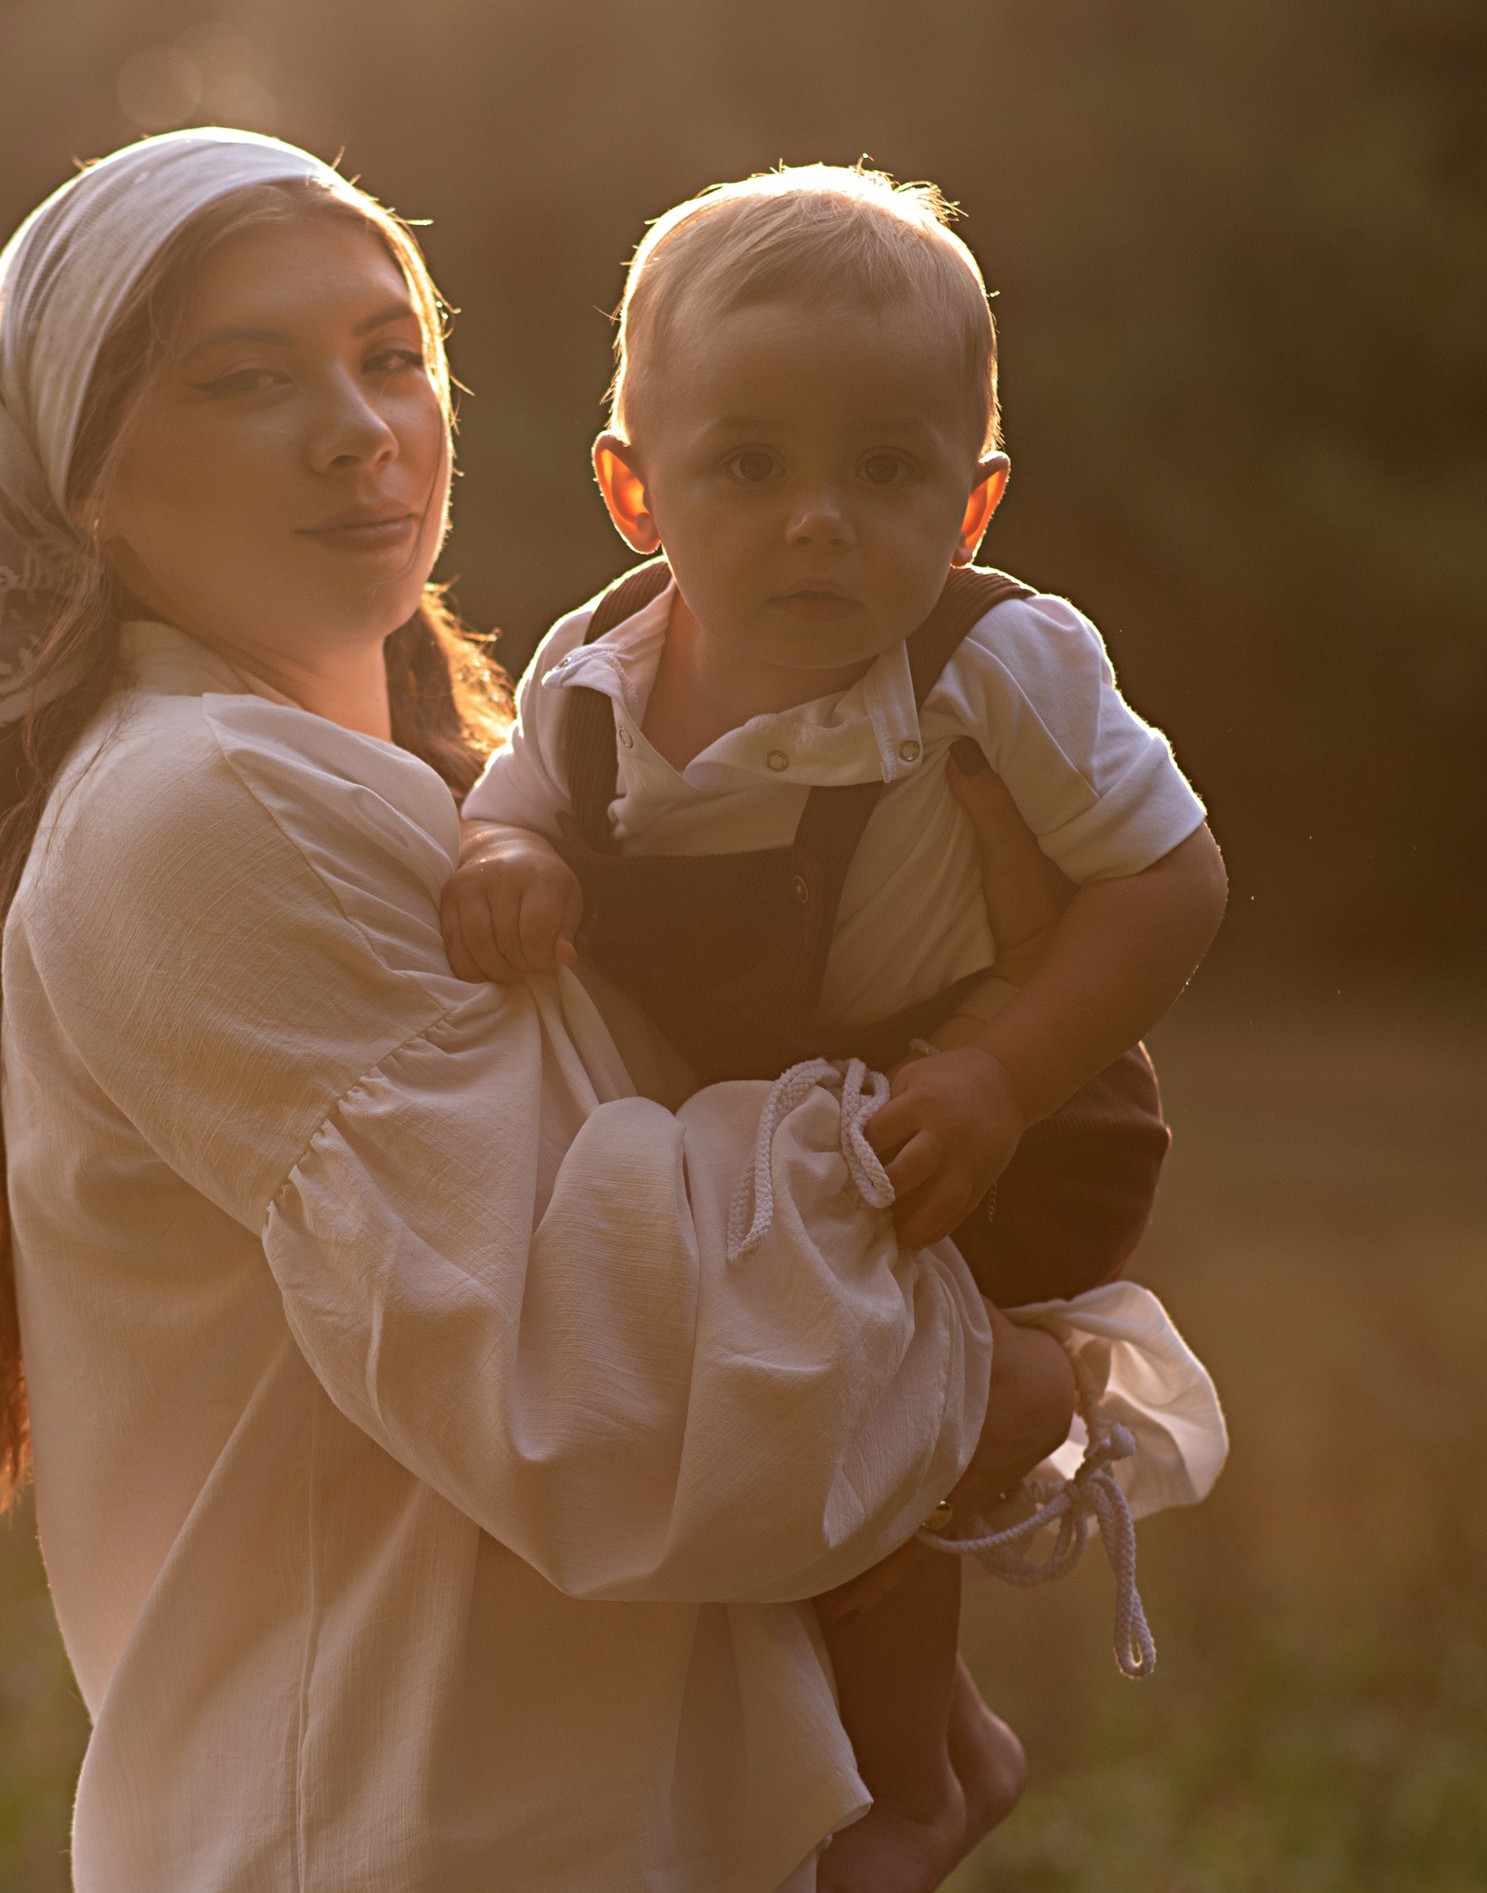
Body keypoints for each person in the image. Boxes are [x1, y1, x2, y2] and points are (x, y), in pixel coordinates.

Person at [0, 129, 1211, 1891]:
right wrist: (1034, 1371)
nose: (361, 425)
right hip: (404, 1831)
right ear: (92, 484)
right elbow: (607, 1383)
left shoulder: (440, 792)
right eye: (247, 378)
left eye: (391, 357)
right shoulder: (198, 802)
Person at [445, 166, 1228, 1890]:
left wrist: (1006, 1071)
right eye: (751, 464)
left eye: (885, 471)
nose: (820, 520)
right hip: (780, 1123)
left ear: (972, 499)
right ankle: (944, 1740)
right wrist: (504, 857)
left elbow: (1170, 881)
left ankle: (911, 1783)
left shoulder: (990, 661)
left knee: (842, 1388)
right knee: (775, 1416)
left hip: (989, 1101)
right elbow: (512, 807)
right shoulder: (587, 692)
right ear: (634, 489)